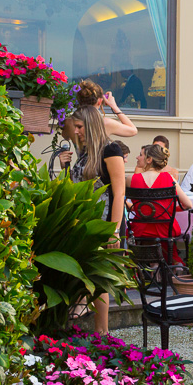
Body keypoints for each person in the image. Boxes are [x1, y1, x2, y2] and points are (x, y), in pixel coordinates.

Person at [60, 105, 125, 335]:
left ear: (90, 125)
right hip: (83, 221)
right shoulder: (86, 153)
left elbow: (119, 193)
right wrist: (65, 167)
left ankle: (102, 333)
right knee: (87, 271)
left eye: (79, 127)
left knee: (99, 275)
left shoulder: (111, 150)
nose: (75, 131)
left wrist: (114, 229)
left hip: (103, 222)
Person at [127, 143, 193, 265]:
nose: (137, 157)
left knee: (137, 231)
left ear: (149, 159)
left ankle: (150, 265)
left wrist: (125, 202)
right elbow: (188, 204)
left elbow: (124, 199)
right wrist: (171, 208)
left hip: (141, 229)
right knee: (163, 233)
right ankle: (171, 263)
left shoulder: (131, 179)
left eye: (141, 155)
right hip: (166, 228)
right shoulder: (169, 179)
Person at [62, 79, 138, 142]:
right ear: (99, 101)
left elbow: (65, 137)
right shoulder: (104, 123)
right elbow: (133, 131)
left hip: (81, 160)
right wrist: (114, 106)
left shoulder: (69, 122)